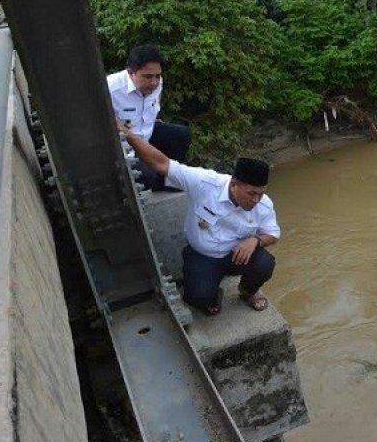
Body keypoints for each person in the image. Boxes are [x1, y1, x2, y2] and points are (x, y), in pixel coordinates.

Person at [119, 123, 279, 315]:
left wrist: (255, 240)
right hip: (202, 256)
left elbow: (273, 233)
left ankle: (247, 292)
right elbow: (162, 163)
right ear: (234, 184)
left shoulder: (264, 204)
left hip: (234, 256)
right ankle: (212, 293)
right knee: (197, 298)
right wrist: (128, 135)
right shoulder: (204, 183)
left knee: (265, 263)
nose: (255, 200)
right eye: (251, 193)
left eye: (261, 194)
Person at [107, 45, 191, 191]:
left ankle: (169, 180)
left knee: (181, 134)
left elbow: (151, 108)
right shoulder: (110, 89)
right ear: (130, 72)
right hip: (125, 149)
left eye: (157, 76)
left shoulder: (157, 84)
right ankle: (156, 180)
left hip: (147, 136)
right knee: (147, 176)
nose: (153, 82)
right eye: (147, 77)